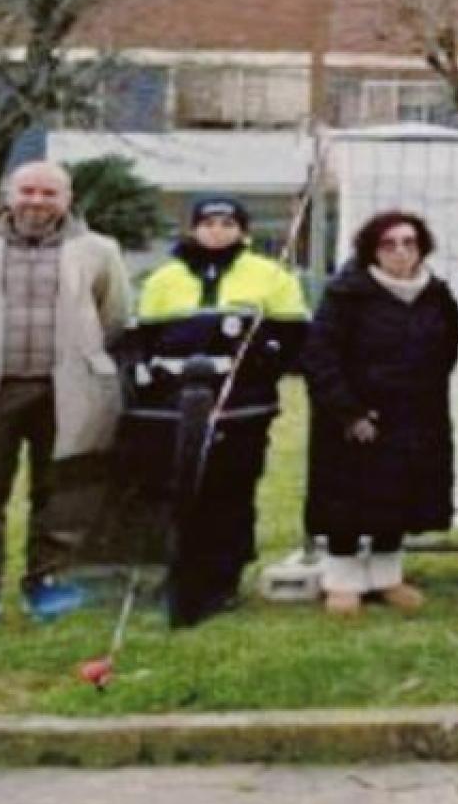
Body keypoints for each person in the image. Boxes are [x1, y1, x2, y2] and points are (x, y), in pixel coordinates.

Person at [129, 195, 308, 628]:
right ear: (192, 228)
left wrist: (260, 366)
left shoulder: (270, 275)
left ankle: (223, 577)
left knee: (229, 491)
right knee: (171, 489)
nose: (216, 230)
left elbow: (295, 340)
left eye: (227, 222)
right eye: (207, 222)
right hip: (174, 404)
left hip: (241, 405)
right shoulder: (164, 278)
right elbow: (145, 341)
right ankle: (176, 572)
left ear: (242, 230)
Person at [303, 211, 458, 617]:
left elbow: (449, 346)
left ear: (421, 247)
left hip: (415, 415)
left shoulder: (437, 295)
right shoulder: (347, 294)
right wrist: (349, 412)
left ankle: (386, 576)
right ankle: (341, 579)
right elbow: (320, 357)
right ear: (371, 250)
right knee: (348, 496)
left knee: (401, 494)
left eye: (409, 243)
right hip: (354, 415)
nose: (400, 252)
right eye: (389, 244)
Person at [0, 161, 131, 624]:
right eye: (27, 191)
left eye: (48, 193)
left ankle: (48, 582)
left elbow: (113, 317)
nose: (36, 200)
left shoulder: (98, 250)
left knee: (61, 492)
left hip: (66, 390)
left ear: (67, 200)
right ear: (9, 195)